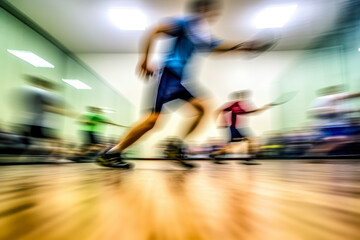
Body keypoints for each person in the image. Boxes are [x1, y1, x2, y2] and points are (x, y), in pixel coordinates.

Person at [97, 0, 269, 168]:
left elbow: (216, 47)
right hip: (169, 74)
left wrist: (243, 46)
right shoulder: (185, 23)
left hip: (178, 81)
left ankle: (176, 147)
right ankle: (112, 153)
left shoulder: (201, 34)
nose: (213, 15)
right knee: (152, 121)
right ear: (202, 9)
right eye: (211, 11)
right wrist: (145, 59)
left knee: (202, 108)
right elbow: (156, 30)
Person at [210, 90, 269, 163]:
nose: (243, 98)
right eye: (242, 96)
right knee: (234, 145)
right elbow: (218, 111)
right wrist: (221, 122)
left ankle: (248, 159)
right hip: (234, 128)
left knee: (247, 141)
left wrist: (264, 108)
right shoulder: (234, 105)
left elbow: (252, 111)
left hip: (238, 128)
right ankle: (215, 155)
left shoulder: (240, 107)